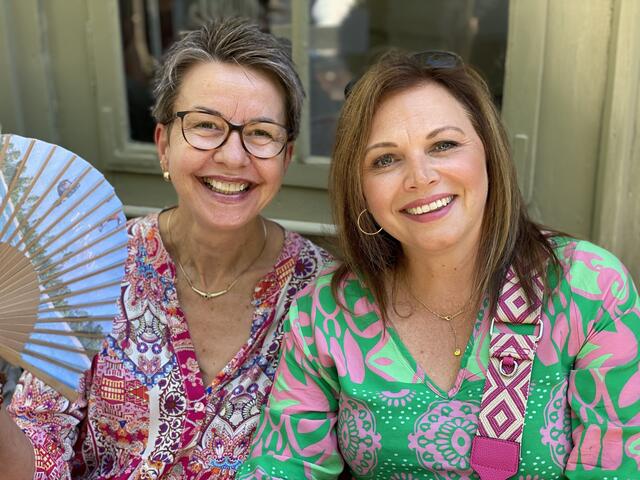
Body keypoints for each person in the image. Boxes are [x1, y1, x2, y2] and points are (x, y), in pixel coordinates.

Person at [238, 51, 640, 479]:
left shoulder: (588, 287)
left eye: (443, 145)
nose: (420, 177)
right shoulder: (328, 310)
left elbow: (615, 467)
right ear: (361, 189)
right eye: (385, 159)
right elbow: (285, 465)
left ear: (489, 153)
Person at [0, 18, 330, 479]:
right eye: (205, 125)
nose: (233, 156)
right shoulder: (92, 266)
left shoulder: (322, 294)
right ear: (163, 145)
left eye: (261, 133)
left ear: (286, 157)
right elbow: (38, 439)